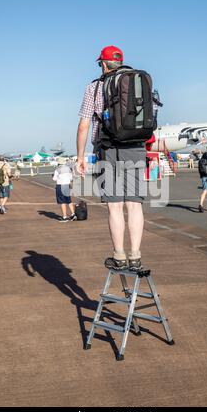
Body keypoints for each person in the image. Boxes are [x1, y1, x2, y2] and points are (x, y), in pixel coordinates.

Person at [76, 45, 149, 271]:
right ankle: (135, 256)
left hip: (108, 150)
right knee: (135, 205)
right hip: (136, 147)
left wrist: (80, 156)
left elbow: (84, 125)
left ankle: (119, 255)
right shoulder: (138, 80)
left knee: (115, 207)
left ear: (104, 64)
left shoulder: (94, 88)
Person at [53, 157, 77, 222]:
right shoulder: (68, 168)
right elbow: (71, 178)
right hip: (67, 186)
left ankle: (65, 217)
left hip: (60, 186)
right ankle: (73, 214)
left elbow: (54, 179)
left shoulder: (57, 169)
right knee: (69, 201)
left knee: (62, 202)